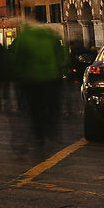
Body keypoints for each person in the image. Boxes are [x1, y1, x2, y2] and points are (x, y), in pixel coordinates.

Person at [10, 18, 68, 146]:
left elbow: (18, 58)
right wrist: (59, 69)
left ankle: (39, 135)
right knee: (51, 105)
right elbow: (62, 55)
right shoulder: (51, 36)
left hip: (31, 79)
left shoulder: (23, 37)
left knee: (35, 109)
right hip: (51, 78)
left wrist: (18, 75)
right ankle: (53, 131)